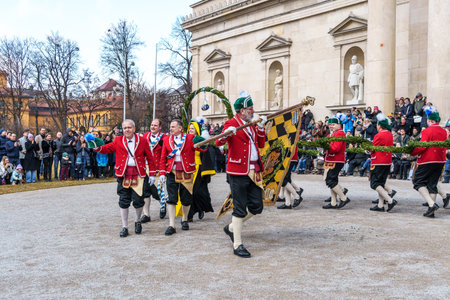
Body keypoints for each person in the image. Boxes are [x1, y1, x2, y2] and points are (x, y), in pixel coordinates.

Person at [216, 92, 266, 258]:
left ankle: (231, 228)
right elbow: (218, 142)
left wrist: (260, 129)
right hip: (237, 171)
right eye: (250, 108)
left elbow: (261, 144)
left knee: (257, 206)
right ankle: (237, 245)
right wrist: (227, 133)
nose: (253, 111)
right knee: (239, 207)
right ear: (242, 110)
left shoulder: (251, 124)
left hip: (253, 170)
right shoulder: (231, 123)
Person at [92, 119, 155, 237]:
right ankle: (124, 227)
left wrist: (152, 174)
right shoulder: (118, 140)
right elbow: (107, 148)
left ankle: (137, 221)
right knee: (123, 200)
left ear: (134, 129)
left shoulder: (142, 140)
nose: (127, 130)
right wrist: (96, 147)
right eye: (125, 128)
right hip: (123, 174)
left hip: (139, 174)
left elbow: (150, 158)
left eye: (129, 127)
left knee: (138, 201)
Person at [158, 119, 202, 236]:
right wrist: (162, 173)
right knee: (171, 198)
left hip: (187, 171)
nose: (170, 128)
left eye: (173, 127)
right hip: (171, 171)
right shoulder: (166, 139)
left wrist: (203, 142)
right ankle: (171, 225)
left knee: (186, 198)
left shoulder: (189, 138)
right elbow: (163, 158)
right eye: (170, 126)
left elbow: (201, 148)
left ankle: (185, 219)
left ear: (180, 128)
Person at [410, 109, 448, 217]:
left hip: (427, 160)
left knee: (418, 182)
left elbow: (422, 146)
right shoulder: (443, 131)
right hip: (440, 160)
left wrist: (412, 151)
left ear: (430, 121)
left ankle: (431, 204)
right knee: (432, 184)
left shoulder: (427, 131)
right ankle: (431, 212)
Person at [186, 119, 215, 222]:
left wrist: (205, 171)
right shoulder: (185, 139)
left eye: (192, 128)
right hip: (187, 168)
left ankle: (200, 208)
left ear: (197, 129)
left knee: (197, 191)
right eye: (189, 128)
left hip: (198, 168)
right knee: (187, 192)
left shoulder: (201, 140)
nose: (190, 130)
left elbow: (206, 155)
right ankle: (189, 214)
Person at [369, 115, 397, 212]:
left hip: (378, 161)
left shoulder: (379, 135)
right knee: (381, 183)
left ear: (379, 126)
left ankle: (390, 200)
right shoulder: (389, 134)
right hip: (387, 161)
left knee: (374, 183)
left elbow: (372, 148)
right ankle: (380, 205)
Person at [322, 114, 351, 209]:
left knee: (330, 181)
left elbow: (335, 148)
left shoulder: (339, 133)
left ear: (339, 125)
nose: (331, 126)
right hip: (333, 159)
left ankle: (343, 197)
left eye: (333, 124)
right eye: (330, 125)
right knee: (333, 181)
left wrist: (326, 145)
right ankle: (333, 202)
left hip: (336, 160)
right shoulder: (335, 133)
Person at [141, 119, 167, 223]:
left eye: (155, 125)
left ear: (160, 127)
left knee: (157, 192)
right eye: (152, 125)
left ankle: (163, 203)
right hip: (146, 167)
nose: (153, 127)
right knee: (145, 191)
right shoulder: (145, 136)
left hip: (158, 167)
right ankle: (146, 214)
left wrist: (163, 170)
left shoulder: (165, 138)